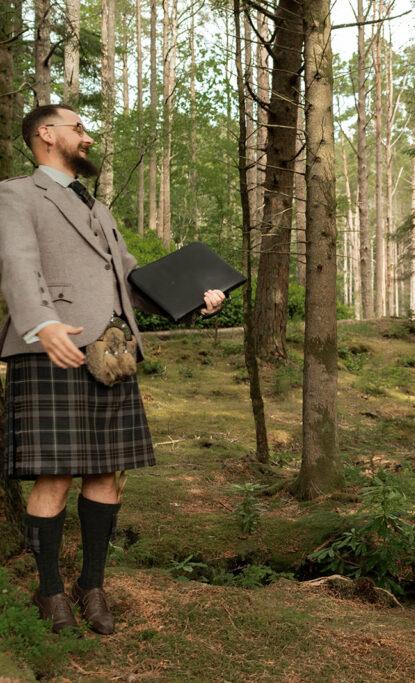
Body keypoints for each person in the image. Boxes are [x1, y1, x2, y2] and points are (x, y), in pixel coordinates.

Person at [0, 104, 225, 635]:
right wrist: (41, 323)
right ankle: (49, 591)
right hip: (54, 348)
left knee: (107, 474)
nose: (88, 137)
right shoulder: (17, 194)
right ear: (45, 134)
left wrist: (194, 301)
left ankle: (91, 585)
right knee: (54, 475)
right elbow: (15, 262)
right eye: (79, 128)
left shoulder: (97, 208)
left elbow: (131, 283)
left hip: (113, 353)